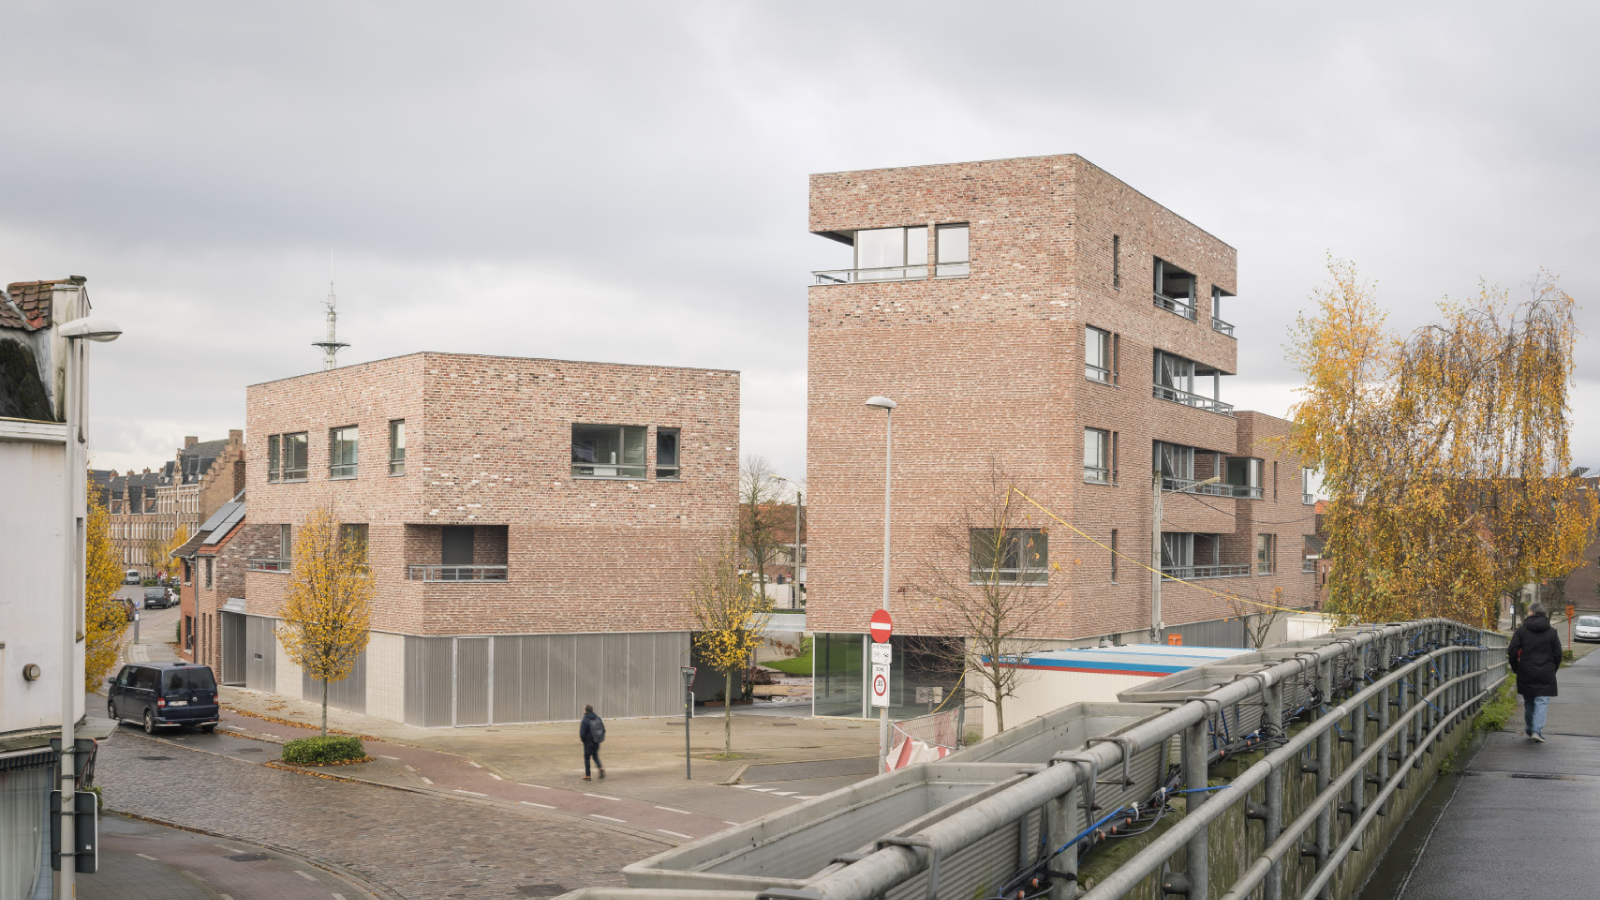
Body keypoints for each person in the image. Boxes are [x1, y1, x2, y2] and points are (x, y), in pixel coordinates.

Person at [1509, 600, 1562, 742]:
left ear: (1531, 613)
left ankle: (1531, 728)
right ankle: (1536, 730)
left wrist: (1516, 668)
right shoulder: (1551, 632)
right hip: (1546, 671)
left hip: (1526, 670)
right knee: (1542, 700)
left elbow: (1512, 651)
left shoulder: (1521, 631)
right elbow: (1558, 654)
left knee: (1529, 700)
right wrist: (1553, 669)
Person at [579, 704, 606, 780]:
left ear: (585, 711)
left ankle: (588, 775)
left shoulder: (585, 720)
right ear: (592, 711)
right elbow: (603, 730)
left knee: (587, 758)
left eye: (584, 709)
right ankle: (600, 768)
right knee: (595, 755)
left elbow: (582, 733)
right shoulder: (598, 718)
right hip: (596, 741)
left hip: (588, 742)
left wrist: (583, 740)